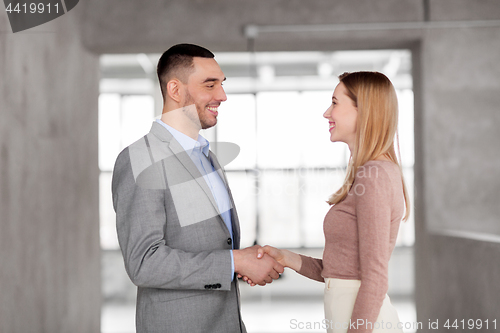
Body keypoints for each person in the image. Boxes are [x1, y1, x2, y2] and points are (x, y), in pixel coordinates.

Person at [111, 43, 283, 333]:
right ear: (176, 90)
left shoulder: (207, 157)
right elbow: (143, 262)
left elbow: (214, 244)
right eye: (210, 85)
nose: (222, 95)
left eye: (222, 84)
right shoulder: (140, 159)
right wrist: (233, 262)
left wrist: (239, 263)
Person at [250, 71, 410, 333]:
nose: (327, 113)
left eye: (335, 102)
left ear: (364, 110)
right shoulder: (368, 172)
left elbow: (375, 279)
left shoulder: (376, 175)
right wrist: (286, 257)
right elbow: (340, 271)